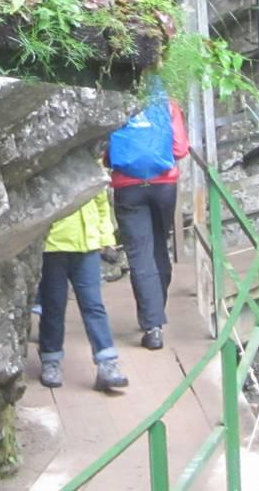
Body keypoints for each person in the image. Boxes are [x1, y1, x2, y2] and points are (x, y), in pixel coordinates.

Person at [109, 88, 189, 350]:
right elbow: (180, 149)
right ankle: (156, 307)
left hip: (128, 187)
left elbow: (106, 152)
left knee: (140, 255)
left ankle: (153, 327)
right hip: (164, 186)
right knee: (159, 246)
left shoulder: (115, 101)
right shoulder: (166, 103)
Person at [36, 190, 129, 393]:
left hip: (88, 246)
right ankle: (50, 359)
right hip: (53, 246)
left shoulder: (92, 172)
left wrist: (106, 240)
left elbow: (102, 205)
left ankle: (107, 363)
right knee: (54, 305)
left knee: (93, 305)